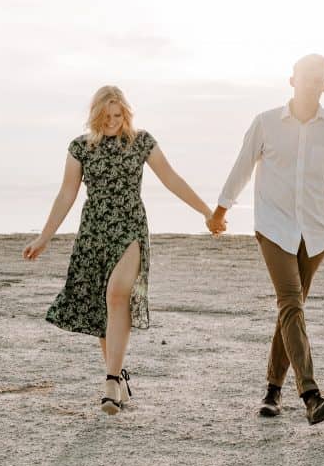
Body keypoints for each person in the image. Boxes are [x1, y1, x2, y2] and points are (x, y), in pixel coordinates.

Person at [23, 85, 217, 414]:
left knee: (117, 295)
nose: (112, 121)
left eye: (118, 115)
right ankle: (120, 376)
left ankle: (110, 381)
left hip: (130, 229)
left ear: (125, 113)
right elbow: (66, 195)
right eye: (106, 116)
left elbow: (171, 178)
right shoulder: (79, 148)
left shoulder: (141, 142)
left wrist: (207, 212)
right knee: (105, 310)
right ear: (96, 115)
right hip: (94, 231)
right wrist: (44, 237)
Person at [208, 54, 324, 425]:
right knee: (290, 301)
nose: (312, 82)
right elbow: (242, 165)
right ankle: (310, 395)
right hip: (273, 227)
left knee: (291, 311)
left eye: (319, 78)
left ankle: (272, 391)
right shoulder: (266, 123)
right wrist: (222, 210)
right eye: (306, 76)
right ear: (292, 80)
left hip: (317, 232)